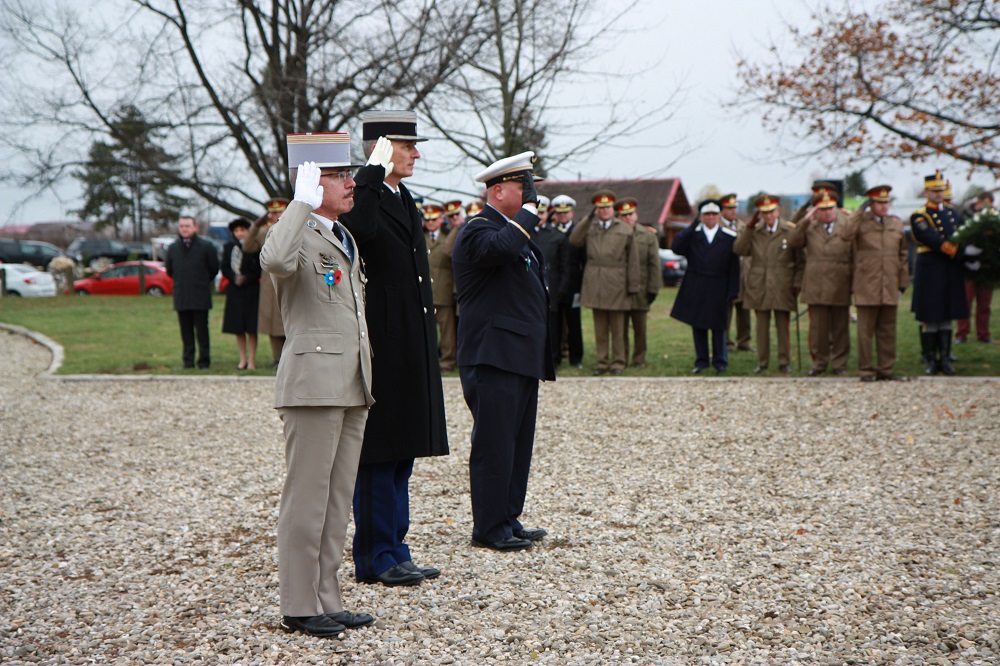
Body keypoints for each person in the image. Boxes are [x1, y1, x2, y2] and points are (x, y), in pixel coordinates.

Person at [260, 132, 375, 638]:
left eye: (348, 174)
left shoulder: (340, 235)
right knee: (306, 498)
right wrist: (299, 204)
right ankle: (298, 602)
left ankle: (327, 595)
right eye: (338, 175)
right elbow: (276, 262)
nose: (351, 183)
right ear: (311, 180)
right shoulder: (295, 232)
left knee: (336, 499)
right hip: (312, 384)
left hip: (350, 383)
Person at [339, 110, 448, 587]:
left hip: (411, 338)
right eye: (407, 146)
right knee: (380, 453)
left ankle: (396, 546)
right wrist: (370, 173)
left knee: (403, 449)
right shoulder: (365, 195)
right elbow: (359, 233)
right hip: (383, 339)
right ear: (382, 148)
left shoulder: (403, 198)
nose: (416, 153)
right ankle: (375, 555)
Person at [452, 151, 554, 551]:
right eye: (525, 188)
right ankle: (489, 527)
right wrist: (527, 216)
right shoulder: (478, 229)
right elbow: (502, 248)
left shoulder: (514, 232)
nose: (533, 198)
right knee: (494, 443)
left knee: (516, 441)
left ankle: (509, 518)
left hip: (518, 354)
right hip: (492, 355)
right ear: (497, 191)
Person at [910, 170, 982, 374]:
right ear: (926, 192)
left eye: (941, 190)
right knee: (931, 314)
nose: (939, 194)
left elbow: (962, 234)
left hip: (950, 269)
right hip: (931, 269)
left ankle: (945, 358)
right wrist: (962, 253)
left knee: (947, 314)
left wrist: (969, 254)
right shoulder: (920, 216)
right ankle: (931, 360)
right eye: (934, 191)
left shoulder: (951, 212)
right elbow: (933, 240)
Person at [838, 185, 909, 381]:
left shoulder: (895, 223)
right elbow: (845, 236)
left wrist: (902, 283)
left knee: (887, 330)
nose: (884, 207)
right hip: (867, 284)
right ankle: (866, 369)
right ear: (871, 205)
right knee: (865, 332)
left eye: (886, 203)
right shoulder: (861, 222)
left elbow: (902, 254)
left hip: (889, 283)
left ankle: (886, 368)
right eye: (879, 203)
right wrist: (859, 212)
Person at [568, 189, 639, 375]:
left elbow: (633, 260)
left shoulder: (625, 229)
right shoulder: (590, 228)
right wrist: (587, 219)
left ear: (613, 209)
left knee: (617, 328)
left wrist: (633, 286)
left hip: (617, 281)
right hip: (595, 280)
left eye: (608, 207)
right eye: (600, 207)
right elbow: (574, 240)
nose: (605, 210)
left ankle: (618, 362)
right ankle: (602, 362)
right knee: (599, 328)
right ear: (596, 210)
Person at [733, 194, 804, 374]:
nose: (768, 216)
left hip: (782, 284)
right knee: (761, 327)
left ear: (778, 211)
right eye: (764, 213)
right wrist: (748, 228)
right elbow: (739, 250)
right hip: (760, 284)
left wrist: (797, 282)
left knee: (782, 326)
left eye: (771, 211)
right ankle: (762, 362)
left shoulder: (788, 231)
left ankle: (784, 361)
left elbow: (799, 261)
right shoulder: (755, 232)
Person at [786, 191, 853, 376]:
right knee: (818, 329)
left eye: (830, 208)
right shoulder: (810, 226)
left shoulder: (846, 224)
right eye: (822, 209)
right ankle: (820, 363)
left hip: (840, 280)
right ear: (816, 211)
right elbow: (793, 241)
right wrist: (806, 219)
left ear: (836, 208)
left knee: (840, 327)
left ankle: (839, 363)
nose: (827, 213)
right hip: (817, 282)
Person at [670, 200, 740, 373]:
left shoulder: (728, 237)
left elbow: (734, 268)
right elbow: (676, 247)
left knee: (718, 327)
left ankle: (720, 361)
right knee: (698, 325)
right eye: (707, 214)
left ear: (719, 216)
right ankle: (701, 361)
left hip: (718, 286)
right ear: (701, 216)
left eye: (714, 214)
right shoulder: (693, 235)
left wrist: (733, 290)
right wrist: (693, 225)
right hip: (697, 285)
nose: (710, 218)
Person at [165, 215, 220, 369]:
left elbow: (213, 268)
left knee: (202, 331)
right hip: (182, 295)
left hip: (200, 295)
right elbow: (170, 270)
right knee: (186, 331)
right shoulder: (173, 248)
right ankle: (188, 361)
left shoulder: (206, 246)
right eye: (182, 226)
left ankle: (204, 361)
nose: (184, 229)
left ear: (195, 227)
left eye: (187, 226)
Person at [242, 198, 289, 366]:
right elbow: (247, 247)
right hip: (270, 281)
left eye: (279, 211)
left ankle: (291, 358)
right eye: (273, 212)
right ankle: (278, 359)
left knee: (290, 320)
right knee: (273, 322)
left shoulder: (293, 227)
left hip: (291, 278)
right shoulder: (263, 231)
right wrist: (255, 226)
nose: (276, 215)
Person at [617, 198, 661, 368]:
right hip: (620, 289)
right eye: (623, 215)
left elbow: (654, 264)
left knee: (640, 328)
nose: (628, 218)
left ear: (636, 215)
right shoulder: (616, 234)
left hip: (642, 288)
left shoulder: (647, 235)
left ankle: (639, 358)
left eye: (630, 214)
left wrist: (653, 288)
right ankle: (622, 358)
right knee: (620, 328)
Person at [531, 194, 572, 368]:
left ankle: (554, 358)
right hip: (530, 288)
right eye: (537, 212)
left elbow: (565, 266)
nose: (540, 216)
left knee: (553, 326)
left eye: (543, 213)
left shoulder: (557, 236)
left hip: (552, 288)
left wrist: (562, 288)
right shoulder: (524, 233)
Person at [221, 217, 261, 370]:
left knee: (251, 328)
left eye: (242, 230)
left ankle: (252, 360)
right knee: (238, 328)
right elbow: (224, 267)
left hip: (252, 290)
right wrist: (234, 277)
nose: (239, 234)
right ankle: (242, 359)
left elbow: (259, 269)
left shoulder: (255, 247)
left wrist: (247, 278)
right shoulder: (228, 247)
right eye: (236, 231)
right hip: (235, 291)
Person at [956, 191, 995, 344]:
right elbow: (958, 238)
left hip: (986, 268)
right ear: (978, 202)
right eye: (984, 204)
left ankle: (983, 334)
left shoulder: (993, 219)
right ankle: (961, 333)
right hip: (968, 267)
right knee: (965, 302)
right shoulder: (965, 216)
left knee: (985, 304)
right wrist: (966, 255)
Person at [551, 194, 584, 368]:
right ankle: (555, 357)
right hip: (556, 284)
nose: (563, 216)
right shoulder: (551, 231)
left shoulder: (578, 232)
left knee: (574, 323)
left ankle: (576, 357)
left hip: (574, 284)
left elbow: (584, 260)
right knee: (555, 324)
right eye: (560, 213)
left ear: (572, 213)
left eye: (566, 212)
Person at [426, 202, 457, 372]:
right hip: (425, 292)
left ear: (441, 219)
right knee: (427, 330)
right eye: (428, 219)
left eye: (434, 219)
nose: (430, 222)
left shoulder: (448, 237)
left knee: (447, 332)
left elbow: (449, 256)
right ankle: (429, 360)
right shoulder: (420, 236)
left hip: (443, 289)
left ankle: (447, 361)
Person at [720, 193, 753, 352]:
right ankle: (726, 343)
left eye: (734, 208)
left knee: (744, 311)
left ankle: (744, 341)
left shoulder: (743, 226)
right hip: (726, 275)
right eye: (729, 208)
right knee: (725, 311)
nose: (733, 211)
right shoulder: (718, 226)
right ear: (722, 210)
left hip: (743, 274)